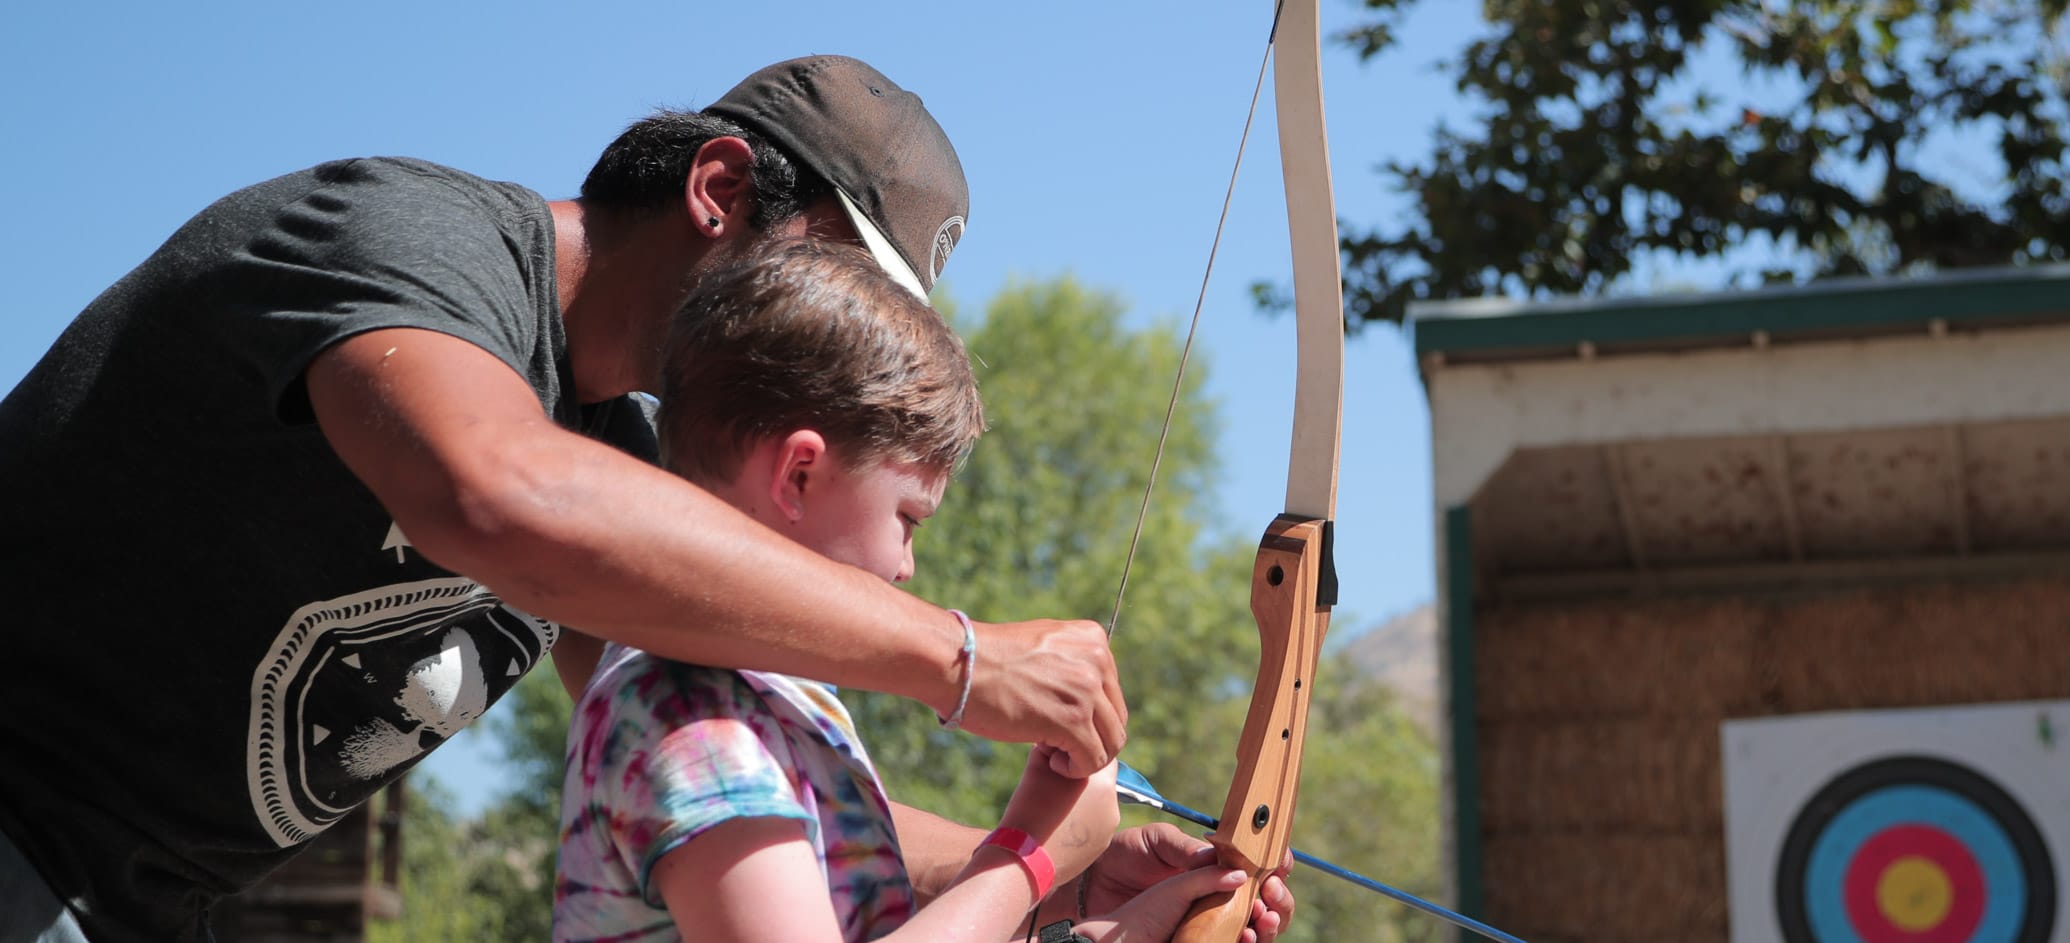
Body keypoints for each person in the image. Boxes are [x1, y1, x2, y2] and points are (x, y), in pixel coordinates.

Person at [0, 55, 1214, 942]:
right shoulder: (412, 239)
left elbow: (737, 773)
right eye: (834, 280)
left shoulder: (623, 473)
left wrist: (1051, 864)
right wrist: (959, 659)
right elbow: (499, 494)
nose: (854, 346)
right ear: (720, 189)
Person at [555, 237, 1264, 943]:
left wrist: (1110, 934)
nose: (907, 568)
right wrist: (1026, 854)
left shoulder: (772, 703)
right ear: (799, 475)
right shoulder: (689, 713)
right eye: (907, 518)